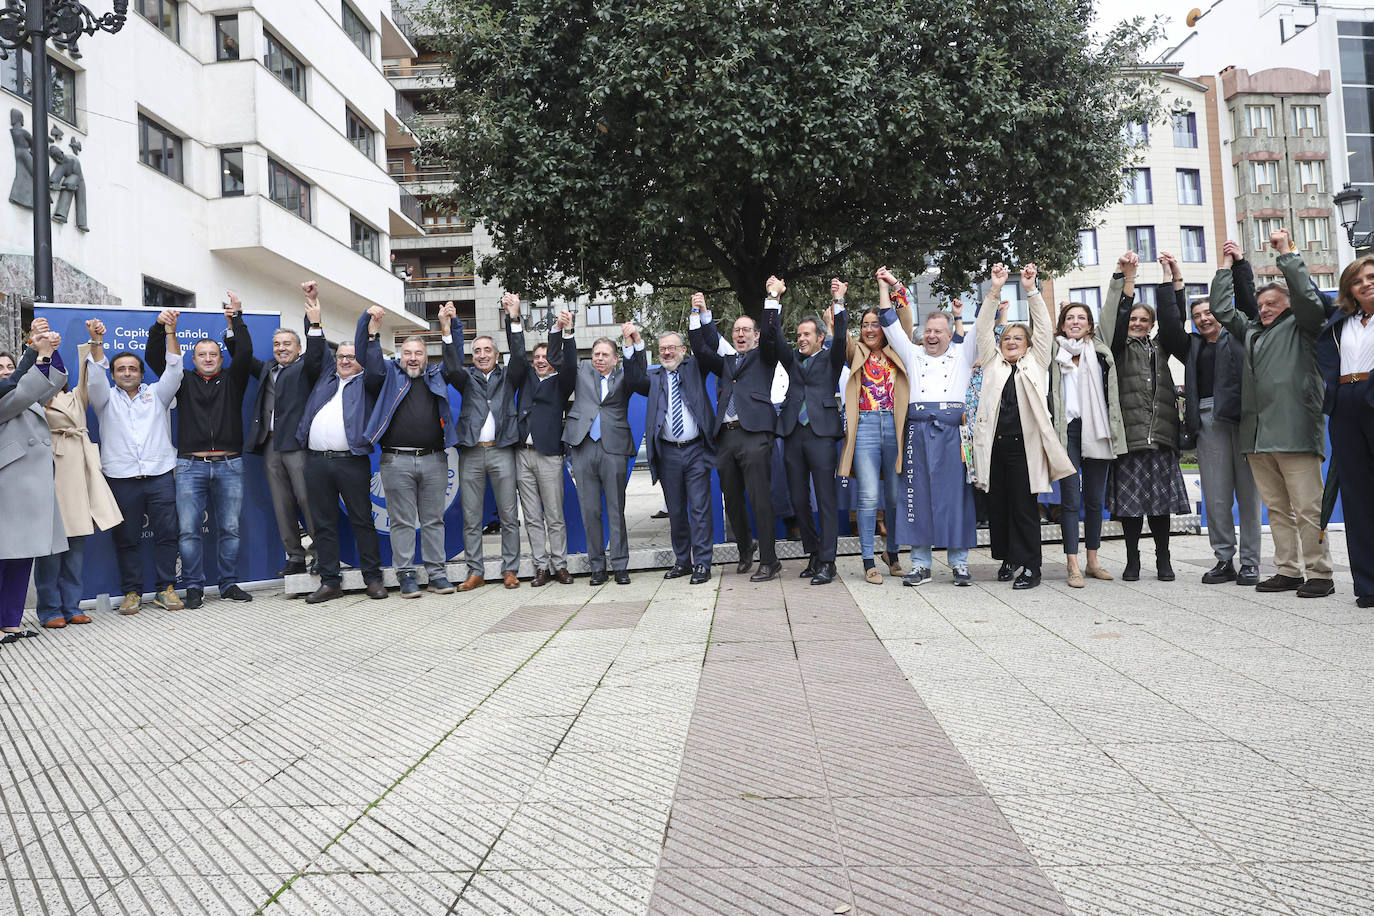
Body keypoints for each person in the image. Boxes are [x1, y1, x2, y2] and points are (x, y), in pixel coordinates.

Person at [1212, 229, 1334, 598]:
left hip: (1295, 430)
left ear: (1290, 304)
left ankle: (1321, 574)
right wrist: (1226, 267)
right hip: (1258, 436)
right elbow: (1221, 309)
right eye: (1261, 304)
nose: (1263, 308)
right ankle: (1288, 570)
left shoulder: (1305, 326)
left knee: (1308, 507)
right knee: (1278, 510)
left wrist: (1287, 254)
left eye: (1272, 303)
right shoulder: (1250, 331)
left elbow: (1306, 294)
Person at [145, 295, 256, 607]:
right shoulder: (182, 381)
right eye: (202, 354)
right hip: (190, 466)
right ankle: (194, 587)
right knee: (189, 531)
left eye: (213, 354)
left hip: (230, 465)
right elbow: (155, 357)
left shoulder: (234, 380)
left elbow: (245, 351)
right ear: (193, 359)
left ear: (221, 358)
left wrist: (236, 318)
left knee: (230, 529)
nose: (208, 358)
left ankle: (229, 584)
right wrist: (161, 327)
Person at [972, 264, 1074, 589]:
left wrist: (1031, 290)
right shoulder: (992, 362)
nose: (1011, 341)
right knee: (998, 508)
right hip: (994, 446)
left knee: (1024, 508)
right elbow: (983, 327)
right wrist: (995, 289)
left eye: (1018, 338)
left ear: (1028, 345)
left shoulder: (1036, 360)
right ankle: (1008, 557)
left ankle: (1031, 566)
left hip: (1024, 447)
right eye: (1006, 338)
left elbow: (1043, 327)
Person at [875, 268, 979, 587]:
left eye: (938, 331)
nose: (932, 336)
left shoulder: (962, 355)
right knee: (917, 496)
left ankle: (959, 564)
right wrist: (885, 285)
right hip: (917, 433)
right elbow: (888, 321)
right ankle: (920, 564)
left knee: (956, 498)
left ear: (949, 334)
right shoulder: (913, 354)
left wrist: (996, 289)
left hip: (953, 435)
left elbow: (984, 324)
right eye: (929, 331)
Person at [1100, 252, 1191, 582]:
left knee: (1160, 505)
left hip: (1161, 435)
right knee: (1131, 506)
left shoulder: (1161, 345)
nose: (1137, 324)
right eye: (1134, 319)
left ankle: (1163, 558)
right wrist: (1129, 279)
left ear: (1151, 325)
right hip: (1131, 437)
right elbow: (1117, 316)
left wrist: (1172, 279)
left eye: (1144, 320)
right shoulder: (1117, 347)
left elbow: (1174, 319)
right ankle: (1132, 559)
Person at [87, 311, 184, 613]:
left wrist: (170, 332)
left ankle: (166, 588)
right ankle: (131, 592)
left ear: (142, 374)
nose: (127, 373)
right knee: (127, 538)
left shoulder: (157, 394)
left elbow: (176, 370)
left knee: (167, 535)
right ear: (113, 374)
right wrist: (97, 342)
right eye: (120, 369)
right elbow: (94, 376)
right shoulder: (104, 399)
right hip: (120, 477)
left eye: (132, 369)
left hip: (159, 474)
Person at [690, 283, 785, 582]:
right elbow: (702, 349)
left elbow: (772, 334)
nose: (740, 334)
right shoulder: (727, 362)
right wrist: (699, 313)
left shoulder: (766, 356)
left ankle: (770, 561)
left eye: (746, 330)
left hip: (755, 434)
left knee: (759, 499)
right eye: (736, 331)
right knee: (731, 499)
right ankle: (746, 548)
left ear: (755, 335)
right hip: (727, 437)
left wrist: (772, 299)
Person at [297, 299, 388, 604]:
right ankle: (330, 581)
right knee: (323, 523)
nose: (346, 361)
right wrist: (315, 321)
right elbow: (314, 353)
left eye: (352, 356)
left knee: (362, 519)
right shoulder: (324, 377)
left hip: (351, 462)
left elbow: (375, 365)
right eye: (341, 356)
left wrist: (370, 327)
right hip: (316, 462)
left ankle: (373, 579)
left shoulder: (368, 383)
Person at [363, 319, 463, 597]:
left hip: (434, 459)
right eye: (407, 353)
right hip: (396, 461)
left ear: (426, 358)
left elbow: (454, 363)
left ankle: (436, 574)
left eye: (418, 353)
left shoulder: (436, 375)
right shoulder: (389, 376)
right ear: (399, 356)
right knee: (402, 521)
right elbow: (371, 364)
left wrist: (448, 329)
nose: (413, 358)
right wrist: (372, 332)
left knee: (433, 520)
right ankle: (406, 575)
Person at [625, 302, 717, 585]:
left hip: (696, 450)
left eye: (672, 348)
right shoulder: (653, 379)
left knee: (699, 509)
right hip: (668, 453)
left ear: (683, 351)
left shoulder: (694, 368)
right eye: (662, 348)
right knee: (676, 511)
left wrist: (699, 315)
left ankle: (703, 563)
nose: (666, 352)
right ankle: (682, 561)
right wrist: (636, 344)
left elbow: (706, 346)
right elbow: (632, 377)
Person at [34, 337, 123, 627]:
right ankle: (49, 610)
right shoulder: (31, 399)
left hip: (78, 474)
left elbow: (88, 376)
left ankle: (72, 606)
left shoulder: (75, 396)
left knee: (75, 548)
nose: (56, 378)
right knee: (50, 550)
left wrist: (93, 343)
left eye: (60, 374)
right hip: (49, 473)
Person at [1189, 241, 1263, 587]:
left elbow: (1249, 302)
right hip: (1211, 418)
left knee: (1249, 494)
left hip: (1246, 416)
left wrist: (1239, 264)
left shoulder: (1242, 330)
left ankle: (1250, 562)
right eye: (1199, 316)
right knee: (1216, 494)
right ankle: (1223, 559)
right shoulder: (1196, 345)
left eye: (1210, 312)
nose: (1206, 318)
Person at [444, 294, 527, 591]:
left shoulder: (509, 377)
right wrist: (447, 327)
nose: (481, 354)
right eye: (477, 350)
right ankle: (475, 571)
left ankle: (510, 570)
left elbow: (519, 356)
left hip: (502, 452)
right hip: (472, 455)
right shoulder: (465, 379)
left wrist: (513, 317)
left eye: (487, 350)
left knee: (508, 514)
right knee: (471, 517)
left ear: (495, 353)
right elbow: (451, 366)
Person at [1048, 295, 1128, 588]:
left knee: (1094, 501)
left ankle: (1093, 561)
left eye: (1081, 318)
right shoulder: (1054, 352)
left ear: (1090, 325)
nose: (1075, 322)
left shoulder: (1099, 351)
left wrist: (1123, 278)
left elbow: (1111, 309)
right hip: (1067, 431)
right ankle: (1072, 564)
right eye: (1070, 318)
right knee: (1070, 500)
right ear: (1062, 325)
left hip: (1096, 429)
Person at [235, 291, 316, 577]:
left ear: (298, 348)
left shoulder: (307, 368)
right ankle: (295, 557)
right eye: (277, 344)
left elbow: (317, 349)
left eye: (287, 344)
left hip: (297, 447)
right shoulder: (268, 368)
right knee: (282, 504)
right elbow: (242, 356)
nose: (281, 348)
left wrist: (312, 317)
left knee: (308, 500)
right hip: (270, 446)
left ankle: (320, 553)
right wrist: (236, 322)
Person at [772, 280, 848, 585]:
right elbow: (775, 338)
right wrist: (773, 298)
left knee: (826, 499)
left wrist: (838, 301)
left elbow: (841, 337)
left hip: (822, 434)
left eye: (807, 335)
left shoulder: (832, 357)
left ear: (820, 337)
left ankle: (828, 561)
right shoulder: (791, 360)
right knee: (799, 500)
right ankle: (814, 552)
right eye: (799, 335)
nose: (801, 339)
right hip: (793, 434)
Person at [839, 275, 913, 585]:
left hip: (893, 429)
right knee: (869, 496)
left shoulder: (899, 348)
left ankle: (892, 553)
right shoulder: (855, 351)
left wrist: (891, 285)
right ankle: (868, 559)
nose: (871, 329)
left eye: (876, 323)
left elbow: (905, 315)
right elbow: (839, 330)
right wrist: (839, 300)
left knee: (895, 498)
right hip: (866, 428)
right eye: (866, 324)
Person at [560, 313, 637, 585]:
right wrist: (567, 332)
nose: (600, 358)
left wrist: (632, 343)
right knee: (589, 510)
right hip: (583, 447)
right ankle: (597, 568)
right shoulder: (581, 371)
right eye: (596, 354)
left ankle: (620, 566)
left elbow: (638, 371)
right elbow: (565, 361)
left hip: (613, 448)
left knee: (616, 509)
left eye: (605, 354)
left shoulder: (626, 377)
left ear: (616, 359)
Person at [0, 325, 66, 644]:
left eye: (10, 366)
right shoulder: (9, 397)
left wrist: (51, 350)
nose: (6, 372)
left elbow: (55, 381)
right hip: (8, 486)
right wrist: (38, 352)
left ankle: (11, 622)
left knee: (21, 556)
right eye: (0, 368)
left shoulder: (25, 390)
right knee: (2, 557)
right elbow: (25, 389)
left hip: (30, 487)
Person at [1317, 253, 1374, 608]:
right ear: (1350, 290)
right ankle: (1367, 585)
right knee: (1355, 497)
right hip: (1345, 403)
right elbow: (1307, 294)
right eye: (1358, 280)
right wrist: (1288, 252)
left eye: (1372, 277)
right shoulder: (1343, 319)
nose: (1366, 283)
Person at [515, 331, 572, 586]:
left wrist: (560, 333)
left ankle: (560, 565)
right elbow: (517, 355)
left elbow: (569, 362)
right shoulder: (524, 378)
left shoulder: (561, 381)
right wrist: (512, 319)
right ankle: (541, 566)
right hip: (522, 456)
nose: (540, 360)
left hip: (549, 455)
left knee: (554, 514)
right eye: (536, 356)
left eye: (545, 356)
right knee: (531, 516)